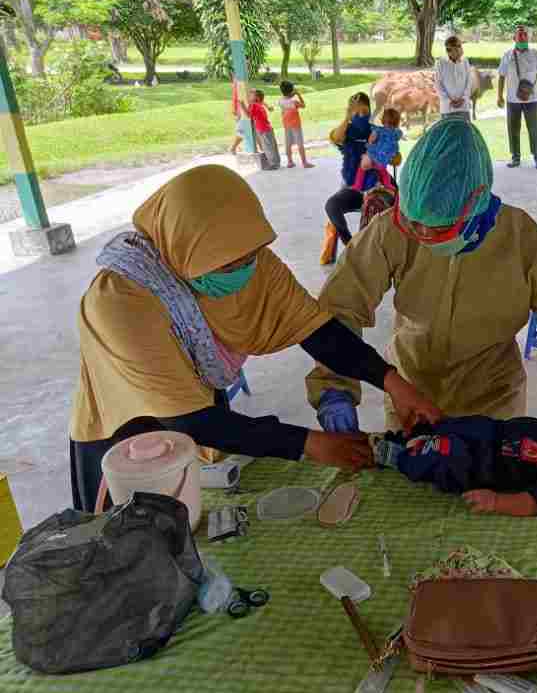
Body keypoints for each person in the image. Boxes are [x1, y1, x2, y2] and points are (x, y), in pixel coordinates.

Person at [69, 165, 441, 513]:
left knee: (203, 519)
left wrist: (393, 382)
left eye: (249, 257)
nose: (244, 272)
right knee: (134, 544)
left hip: (199, 410)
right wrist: (307, 443)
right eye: (228, 266)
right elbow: (192, 423)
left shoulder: (249, 259)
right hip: (128, 440)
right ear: (182, 247)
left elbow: (319, 331)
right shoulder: (121, 303)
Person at [308, 118, 537, 432]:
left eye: (437, 228)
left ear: (477, 202)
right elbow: (342, 303)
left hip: (492, 402)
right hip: (410, 392)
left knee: (486, 480)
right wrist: (334, 383)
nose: (422, 234)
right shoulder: (392, 228)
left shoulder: (519, 237)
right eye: (415, 224)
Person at [368, 412, 537, 517]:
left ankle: (396, 457)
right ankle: (416, 435)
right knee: (446, 425)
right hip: (489, 432)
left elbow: (536, 502)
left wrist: (497, 502)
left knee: (444, 452)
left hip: (478, 466)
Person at [320, 92, 377, 264]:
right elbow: (335, 137)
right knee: (331, 207)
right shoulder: (346, 133)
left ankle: (373, 252)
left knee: (380, 212)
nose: (360, 116)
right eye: (356, 113)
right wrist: (347, 117)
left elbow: (395, 157)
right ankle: (351, 245)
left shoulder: (376, 131)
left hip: (375, 187)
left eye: (364, 112)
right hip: (352, 187)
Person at [497, 25, 537, 169]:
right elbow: (501, 76)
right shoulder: (507, 55)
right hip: (513, 99)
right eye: (519, 34)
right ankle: (515, 157)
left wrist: (531, 83)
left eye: (524, 34)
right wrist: (499, 96)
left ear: (528, 37)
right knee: (513, 129)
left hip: (531, 99)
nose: (522, 36)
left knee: (534, 128)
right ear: (514, 38)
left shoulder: (536, 54)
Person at [354, 108, 403, 191]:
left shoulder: (378, 130)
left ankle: (357, 186)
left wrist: (369, 143)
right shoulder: (397, 133)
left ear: (383, 120)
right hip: (383, 160)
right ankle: (388, 184)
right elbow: (398, 137)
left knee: (361, 168)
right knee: (383, 172)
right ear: (397, 122)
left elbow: (371, 140)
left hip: (372, 156)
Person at [240, 89, 280, 170]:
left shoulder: (254, 105)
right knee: (272, 146)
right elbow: (260, 100)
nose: (249, 96)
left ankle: (273, 164)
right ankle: (277, 162)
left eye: (251, 95)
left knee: (267, 147)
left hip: (263, 129)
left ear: (256, 98)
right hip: (268, 128)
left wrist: (242, 105)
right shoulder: (259, 104)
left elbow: (248, 115)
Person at [436, 35, 473, 121]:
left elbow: (469, 82)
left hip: (463, 107)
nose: (461, 50)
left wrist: (463, 98)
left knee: (465, 131)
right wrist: (449, 101)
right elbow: (438, 84)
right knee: (449, 132)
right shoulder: (441, 63)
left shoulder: (465, 61)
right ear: (449, 50)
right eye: (458, 47)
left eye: (461, 46)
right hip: (447, 108)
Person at [279, 81, 314, 169]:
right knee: (300, 143)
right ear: (291, 91)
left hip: (286, 125)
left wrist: (291, 94)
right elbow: (303, 105)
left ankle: (290, 162)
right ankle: (304, 162)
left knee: (288, 144)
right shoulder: (294, 101)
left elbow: (286, 98)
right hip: (295, 125)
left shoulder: (280, 100)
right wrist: (298, 94)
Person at [230, 78, 247, 155]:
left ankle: (236, 147)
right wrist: (237, 111)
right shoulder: (238, 82)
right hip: (241, 111)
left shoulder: (239, 81)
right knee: (242, 131)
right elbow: (237, 98)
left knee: (242, 130)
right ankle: (233, 148)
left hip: (242, 109)